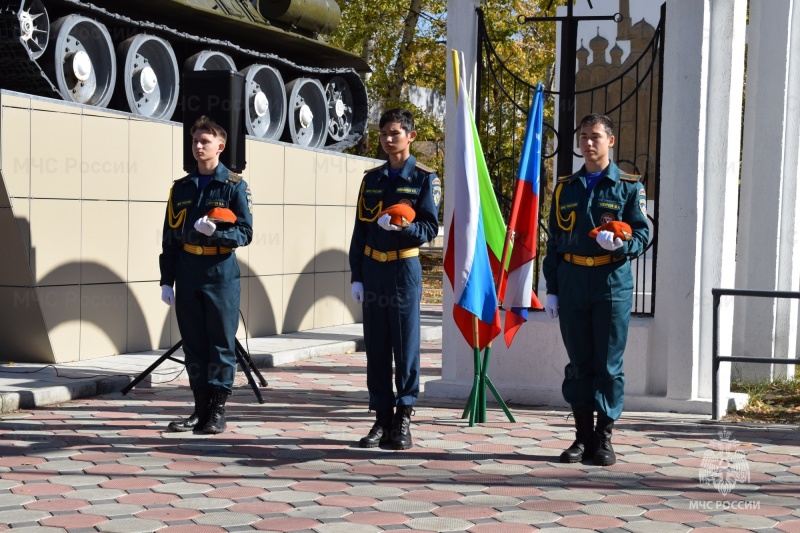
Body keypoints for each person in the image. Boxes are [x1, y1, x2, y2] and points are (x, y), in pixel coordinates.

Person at [542, 113, 649, 466]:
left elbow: (642, 233)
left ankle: (603, 437)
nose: (588, 143)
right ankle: (582, 437)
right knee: (579, 363)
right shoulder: (565, 187)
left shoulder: (628, 186)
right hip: (573, 283)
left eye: (596, 137)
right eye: (584, 136)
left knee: (608, 364)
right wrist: (553, 288)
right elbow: (555, 242)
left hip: (610, 284)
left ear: (610, 141)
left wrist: (622, 247)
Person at [348, 108, 441, 450]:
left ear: (411, 136)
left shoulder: (424, 179)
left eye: (396, 133)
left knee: (404, 345)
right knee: (376, 346)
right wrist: (356, 274)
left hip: (403, 269)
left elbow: (429, 228)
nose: (389, 139)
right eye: (384, 133)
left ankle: (403, 416)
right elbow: (359, 231)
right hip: (373, 270)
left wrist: (405, 229)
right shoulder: (371, 179)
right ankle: (381, 417)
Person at [159, 115, 253, 434]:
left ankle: (217, 411)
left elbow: (244, 233)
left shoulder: (234, 186)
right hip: (187, 270)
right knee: (194, 344)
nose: (198, 147)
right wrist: (165, 279)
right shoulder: (182, 187)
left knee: (221, 343)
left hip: (220, 271)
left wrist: (216, 234)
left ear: (220, 146)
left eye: (205, 142)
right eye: (195, 141)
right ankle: (199, 409)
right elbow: (170, 236)